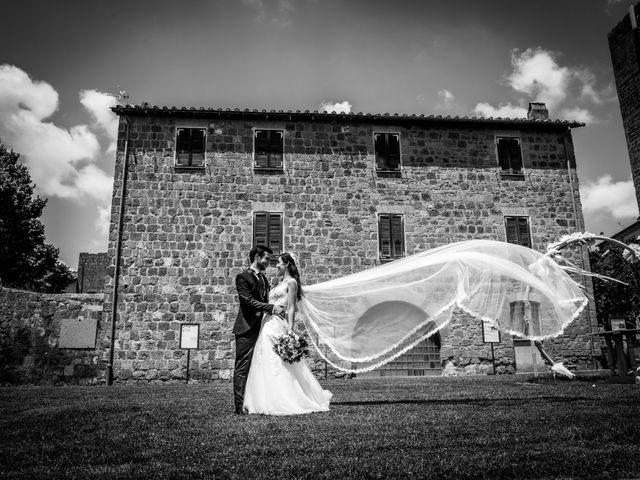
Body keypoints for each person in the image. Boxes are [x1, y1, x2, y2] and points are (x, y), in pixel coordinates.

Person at [243, 252, 332, 415]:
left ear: (287, 265)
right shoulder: (277, 283)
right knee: (264, 355)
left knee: (277, 359)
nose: (276, 265)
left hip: (278, 323)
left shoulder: (291, 283)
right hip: (267, 321)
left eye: (279, 263)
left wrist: (290, 328)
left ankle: (285, 397)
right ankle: (264, 397)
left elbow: (291, 307)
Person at [233, 245, 284, 415]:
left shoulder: (263, 278)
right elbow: (247, 301)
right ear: (256, 257)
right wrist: (271, 308)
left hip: (263, 327)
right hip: (246, 327)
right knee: (243, 366)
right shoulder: (242, 277)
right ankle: (239, 406)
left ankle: (256, 401)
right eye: (267, 259)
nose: (269, 262)